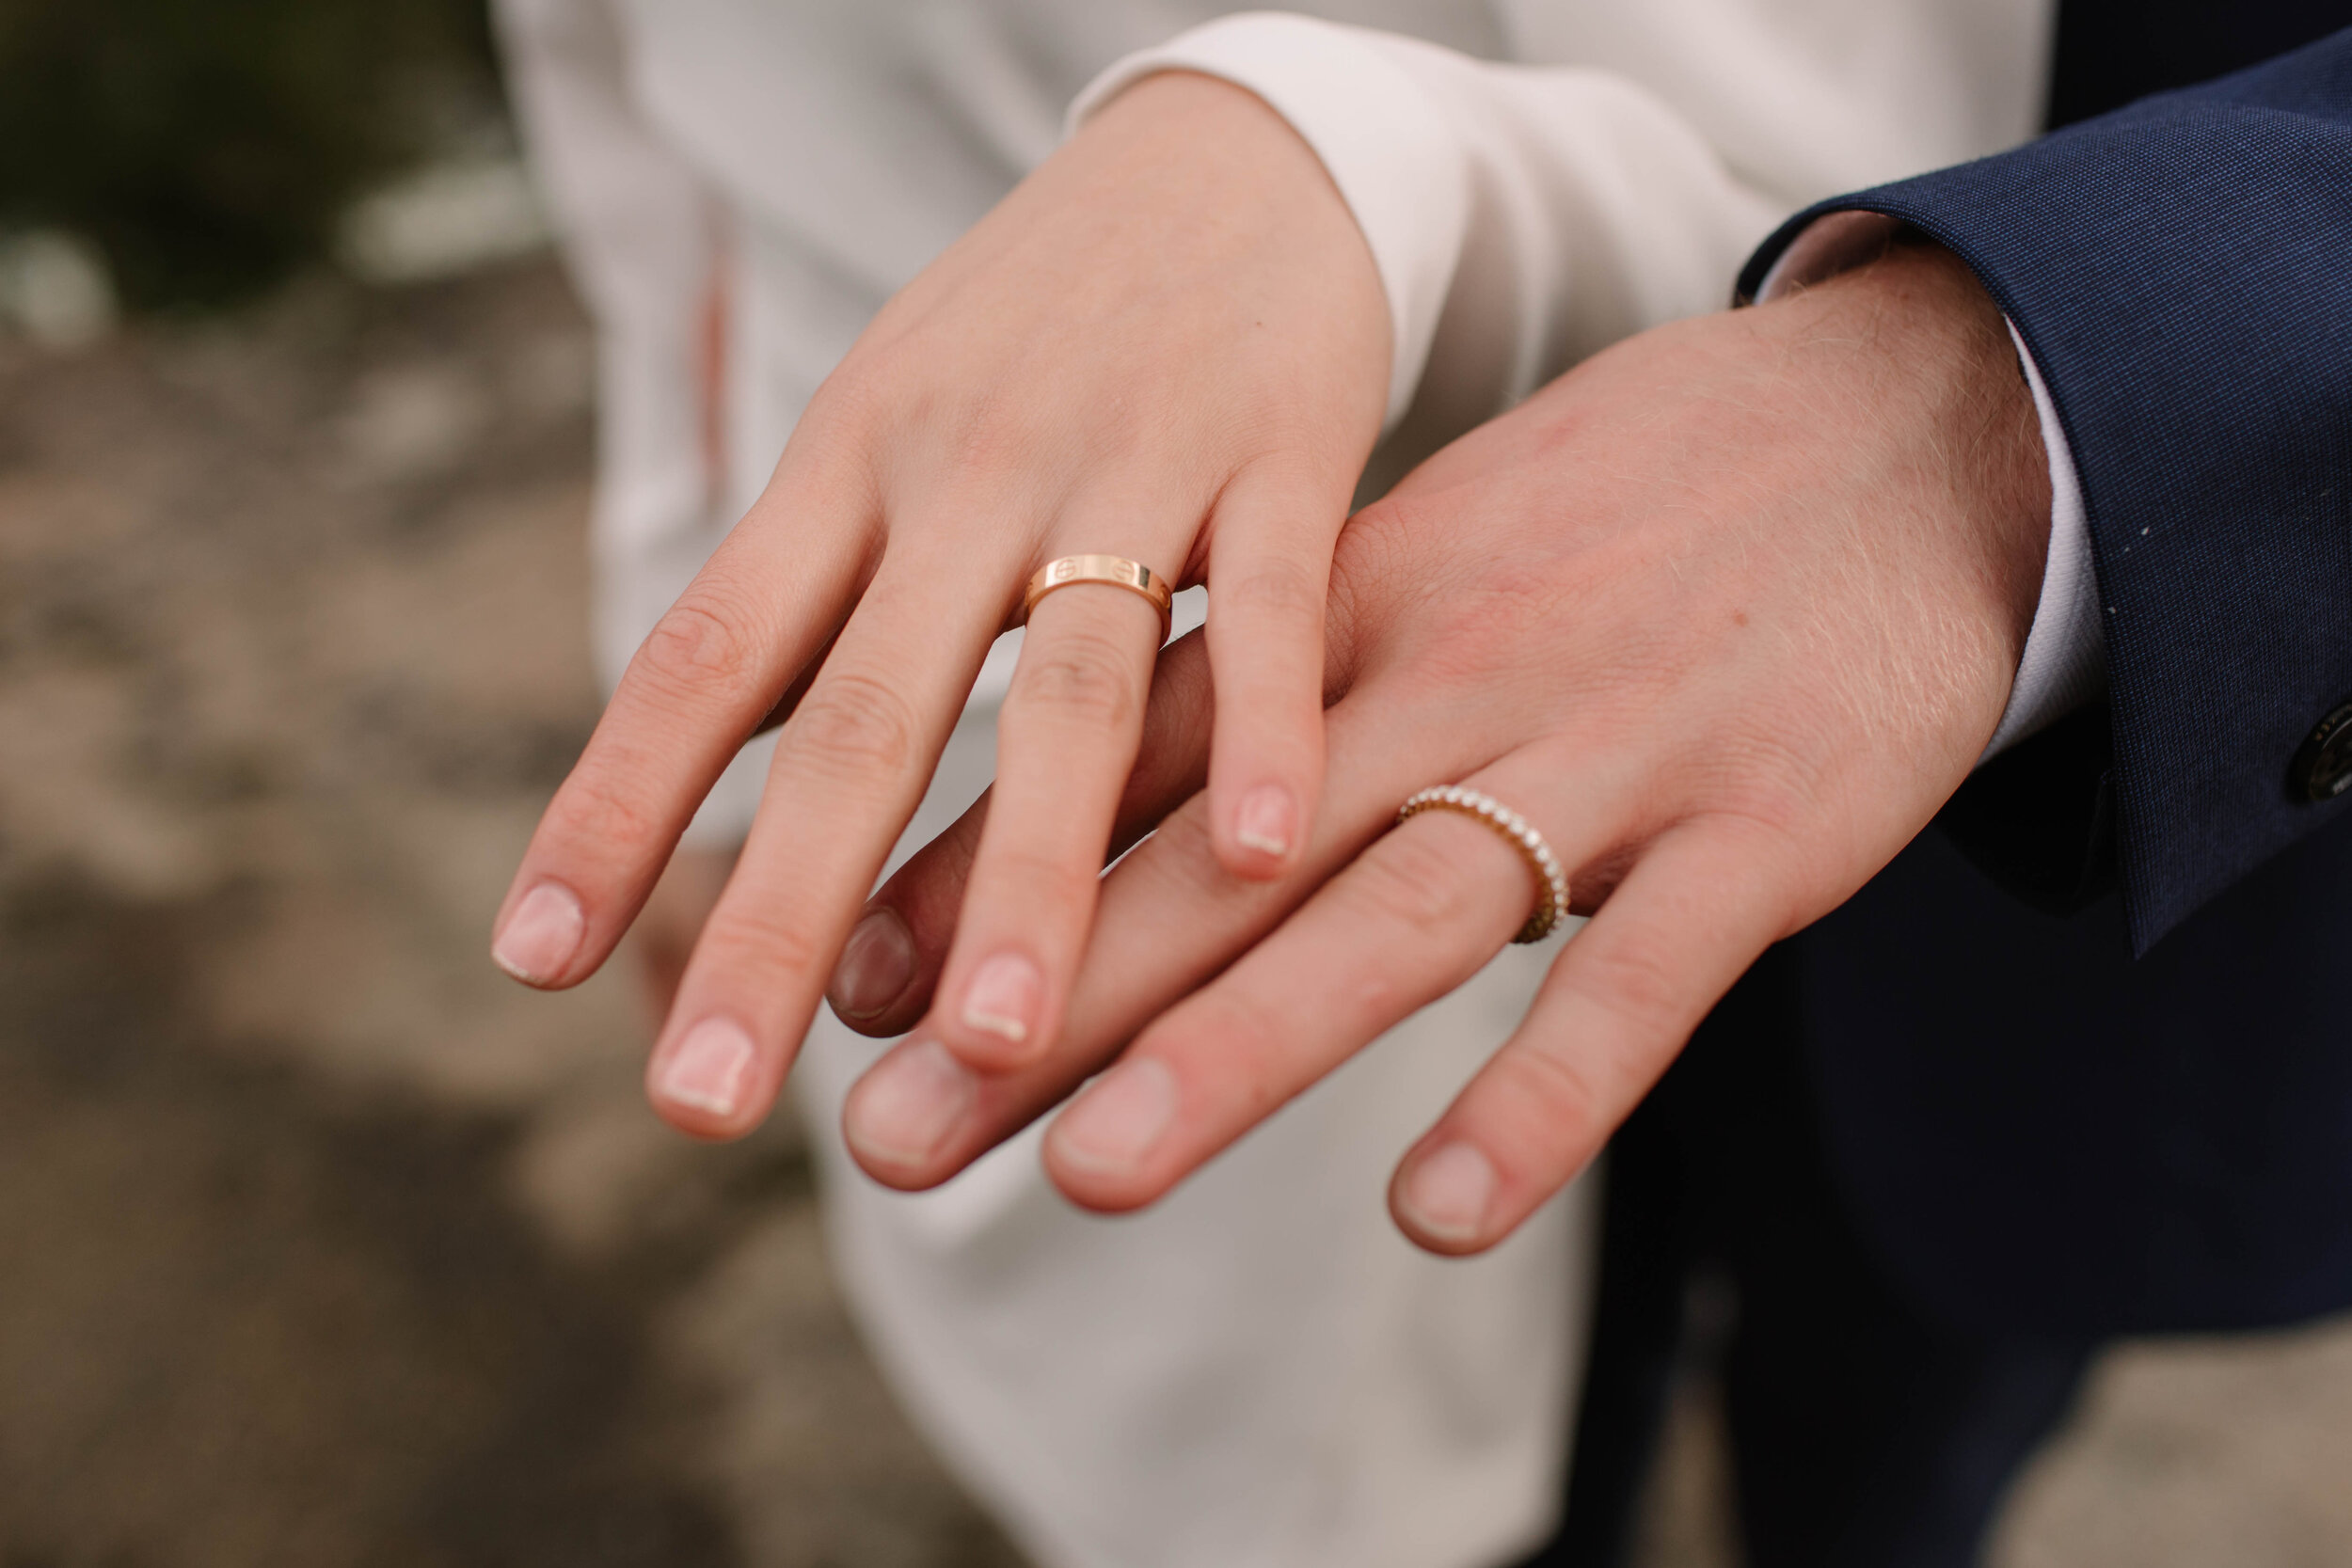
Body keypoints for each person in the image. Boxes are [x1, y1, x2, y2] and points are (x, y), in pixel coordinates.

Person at [499, 0, 2352, 1561]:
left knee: (1886, 1430)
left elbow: (1825, 137)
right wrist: (680, 592)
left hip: (2052, 712)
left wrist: (1379, 173)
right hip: (1041, 714)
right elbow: (646, 102)